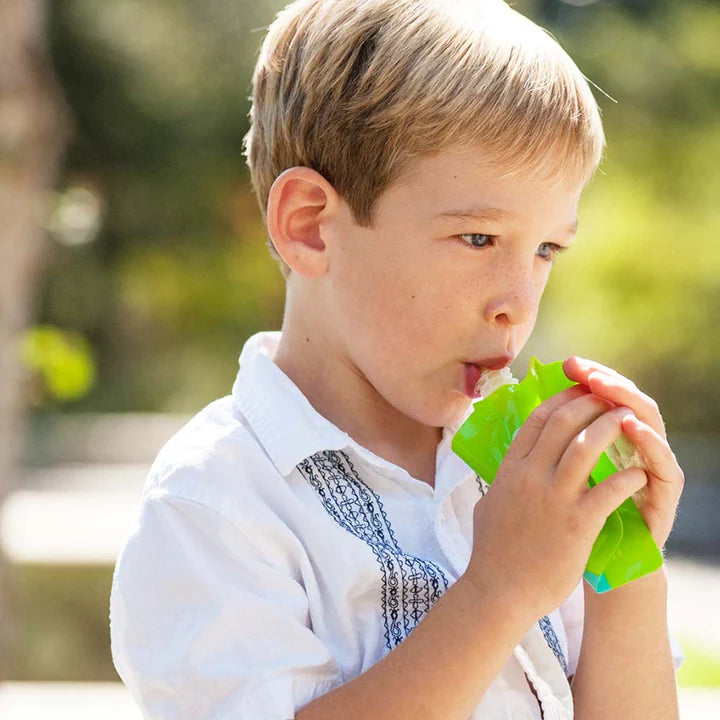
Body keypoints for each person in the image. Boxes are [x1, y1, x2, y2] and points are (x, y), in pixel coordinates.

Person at [109, 0, 686, 717]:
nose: (517, 301)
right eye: (478, 239)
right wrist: (499, 591)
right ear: (312, 228)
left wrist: (624, 568)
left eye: (545, 250)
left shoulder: (522, 476)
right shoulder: (218, 504)